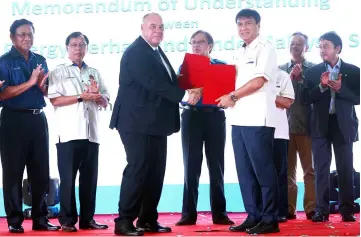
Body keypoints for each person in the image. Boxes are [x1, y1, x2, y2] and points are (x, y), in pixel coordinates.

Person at [109, 13, 201, 236]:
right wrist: (185, 95)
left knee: (156, 172)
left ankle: (148, 219)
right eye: (153, 26)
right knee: (138, 169)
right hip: (135, 122)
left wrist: (189, 81)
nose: (158, 30)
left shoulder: (156, 51)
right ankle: (124, 221)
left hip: (155, 123)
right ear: (142, 28)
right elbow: (153, 84)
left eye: (161, 27)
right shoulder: (136, 52)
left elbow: (165, 81)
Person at [216, 9, 279, 234]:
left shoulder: (266, 48)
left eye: (248, 23)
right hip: (238, 118)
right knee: (245, 172)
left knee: (263, 170)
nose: (243, 28)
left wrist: (231, 96)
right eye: (240, 24)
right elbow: (229, 81)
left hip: (258, 118)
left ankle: (270, 218)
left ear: (258, 25)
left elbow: (259, 81)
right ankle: (253, 215)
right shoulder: (238, 51)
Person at [0, 19, 60, 233]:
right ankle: (15, 221)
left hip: (37, 119)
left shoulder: (40, 60)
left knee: (40, 171)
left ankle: (40, 219)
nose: (27, 38)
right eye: (22, 34)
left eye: (30, 34)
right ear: (12, 37)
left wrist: (44, 87)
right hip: (13, 120)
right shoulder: (4, 62)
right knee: (13, 173)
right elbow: (3, 94)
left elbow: (45, 91)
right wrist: (31, 82)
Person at [47, 32, 109, 232]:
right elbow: (55, 99)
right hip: (69, 133)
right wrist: (82, 97)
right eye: (74, 45)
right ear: (67, 48)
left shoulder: (94, 72)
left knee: (90, 180)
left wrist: (99, 97)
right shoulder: (58, 71)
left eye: (82, 45)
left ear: (86, 48)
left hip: (92, 134)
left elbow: (106, 99)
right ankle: (67, 220)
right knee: (68, 179)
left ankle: (88, 219)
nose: (78, 49)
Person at [175, 30, 234, 226]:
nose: (196, 46)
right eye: (193, 43)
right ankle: (188, 214)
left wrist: (205, 88)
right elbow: (177, 91)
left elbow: (227, 93)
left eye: (200, 42)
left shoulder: (221, 66)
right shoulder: (185, 67)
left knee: (216, 166)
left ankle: (220, 213)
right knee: (190, 165)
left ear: (210, 45)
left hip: (214, 117)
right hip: (191, 117)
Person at [302, 31, 359, 222]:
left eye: (326, 46)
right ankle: (321, 210)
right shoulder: (313, 72)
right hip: (320, 125)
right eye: (320, 47)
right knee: (321, 169)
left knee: (345, 168)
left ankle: (347, 210)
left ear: (338, 48)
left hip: (343, 125)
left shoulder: (353, 70)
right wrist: (321, 87)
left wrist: (340, 89)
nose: (321, 50)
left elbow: (358, 97)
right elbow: (305, 98)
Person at [279, 32, 316, 220]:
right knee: (287, 171)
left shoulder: (314, 70)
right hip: (283, 127)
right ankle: (288, 208)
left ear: (306, 47)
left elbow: (314, 97)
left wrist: (301, 79)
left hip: (307, 126)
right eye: (292, 43)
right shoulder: (280, 69)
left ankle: (311, 208)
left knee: (310, 171)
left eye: (299, 44)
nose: (295, 46)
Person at [273, 69, 295, 222]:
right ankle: (260, 210)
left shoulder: (282, 75)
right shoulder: (248, 75)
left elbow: (286, 102)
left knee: (280, 173)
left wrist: (263, 93)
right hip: (254, 130)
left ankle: (281, 211)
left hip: (278, 132)